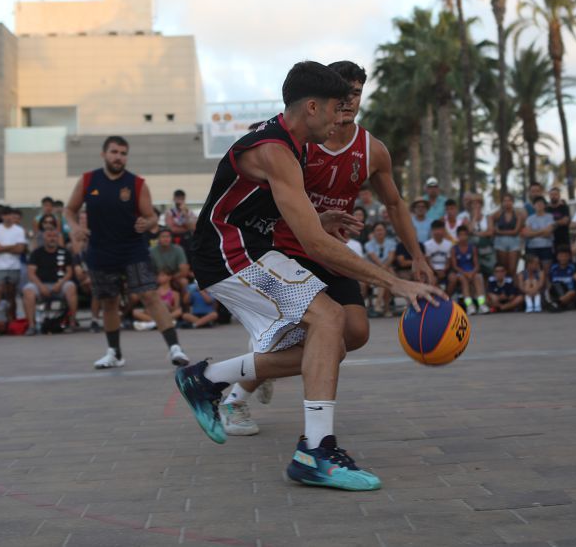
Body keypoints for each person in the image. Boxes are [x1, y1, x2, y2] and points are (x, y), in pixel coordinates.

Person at [176, 61, 441, 491]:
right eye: (337, 107)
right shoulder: (277, 150)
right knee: (329, 319)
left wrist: (319, 214)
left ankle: (208, 380)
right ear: (313, 107)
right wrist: (396, 283)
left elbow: (278, 208)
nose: (342, 116)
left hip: (249, 246)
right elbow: (315, 245)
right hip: (230, 252)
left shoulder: (294, 142)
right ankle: (315, 452)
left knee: (328, 344)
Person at [222, 60, 435, 436]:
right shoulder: (299, 141)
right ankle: (235, 398)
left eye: (357, 93)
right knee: (326, 328)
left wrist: (417, 256)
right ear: (325, 99)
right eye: (345, 93)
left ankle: (269, 360)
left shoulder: (372, 150)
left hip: (331, 252)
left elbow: (395, 205)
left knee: (355, 333)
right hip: (286, 249)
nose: (351, 101)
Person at [64, 136, 190, 369]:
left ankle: (175, 348)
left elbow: (151, 216)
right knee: (109, 302)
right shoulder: (88, 180)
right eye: (114, 152)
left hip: (132, 249)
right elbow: (69, 210)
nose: (118, 157)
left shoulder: (137, 184)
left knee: (150, 296)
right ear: (104, 154)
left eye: (123, 153)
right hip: (101, 250)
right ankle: (114, 353)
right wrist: (76, 228)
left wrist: (147, 222)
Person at [23, 227, 78, 335]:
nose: (52, 239)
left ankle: (72, 323)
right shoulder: (36, 253)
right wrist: (40, 286)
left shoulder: (64, 252)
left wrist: (60, 284)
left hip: (59, 285)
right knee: (27, 290)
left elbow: (69, 272)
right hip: (40, 285)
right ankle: (31, 326)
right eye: (49, 236)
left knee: (71, 286)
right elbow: (31, 273)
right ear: (44, 238)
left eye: (54, 236)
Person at [0, 209, 27, 325]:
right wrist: (12, 247)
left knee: (12, 294)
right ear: (2, 216)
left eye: (10, 215)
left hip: (14, 266)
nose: (8, 217)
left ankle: (13, 319)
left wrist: (3, 247)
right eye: (6, 214)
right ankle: (1, 319)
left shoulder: (19, 230)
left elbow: (20, 249)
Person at [450, 225, 488, 314]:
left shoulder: (472, 248)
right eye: (460, 235)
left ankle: (481, 304)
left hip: (471, 271)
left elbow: (476, 264)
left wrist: (473, 272)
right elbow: (455, 266)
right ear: (457, 236)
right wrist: (465, 273)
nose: (463, 237)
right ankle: (469, 305)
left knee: (477, 278)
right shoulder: (454, 249)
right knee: (464, 280)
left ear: (468, 236)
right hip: (461, 272)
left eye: (465, 235)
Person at [364, 222, 397, 316]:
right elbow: (375, 259)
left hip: (386, 268)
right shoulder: (368, 244)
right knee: (386, 276)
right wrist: (383, 269)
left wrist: (383, 268)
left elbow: (391, 258)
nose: (379, 232)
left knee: (385, 277)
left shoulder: (391, 242)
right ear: (373, 232)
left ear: (385, 231)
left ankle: (379, 304)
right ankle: (386, 309)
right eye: (377, 230)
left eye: (381, 230)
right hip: (373, 269)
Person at [492, 194, 524, 276]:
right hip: (500, 243)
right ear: (502, 203)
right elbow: (490, 222)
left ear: (512, 202)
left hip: (514, 242)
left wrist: (500, 232)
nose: (507, 203)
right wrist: (495, 229)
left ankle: (512, 287)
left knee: (512, 269)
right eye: (505, 201)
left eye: (509, 200)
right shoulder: (498, 214)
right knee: (503, 268)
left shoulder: (517, 214)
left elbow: (516, 231)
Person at [522, 196, 554, 275]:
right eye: (537, 204)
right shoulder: (529, 218)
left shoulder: (550, 217)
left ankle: (547, 287)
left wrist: (533, 232)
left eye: (541, 203)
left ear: (545, 205)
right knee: (533, 272)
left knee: (546, 272)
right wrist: (543, 230)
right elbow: (527, 234)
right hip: (532, 248)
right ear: (533, 206)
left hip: (546, 247)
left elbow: (548, 233)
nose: (539, 205)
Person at [424, 220, 454, 294]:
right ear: (432, 231)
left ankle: (448, 298)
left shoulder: (449, 244)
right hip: (432, 270)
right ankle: (437, 299)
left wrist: (443, 271)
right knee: (431, 279)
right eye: (435, 229)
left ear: (443, 230)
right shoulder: (427, 244)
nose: (437, 232)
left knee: (453, 278)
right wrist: (436, 272)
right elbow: (428, 262)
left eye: (439, 229)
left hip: (445, 270)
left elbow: (449, 262)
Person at [546, 187, 571, 254]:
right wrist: (559, 222)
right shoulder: (546, 208)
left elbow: (565, 221)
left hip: (563, 239)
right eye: (551, 194)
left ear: (559, 195)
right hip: (550, 240)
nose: (553, 196)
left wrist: (552, 223)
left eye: (555, 194)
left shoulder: (564, 207)